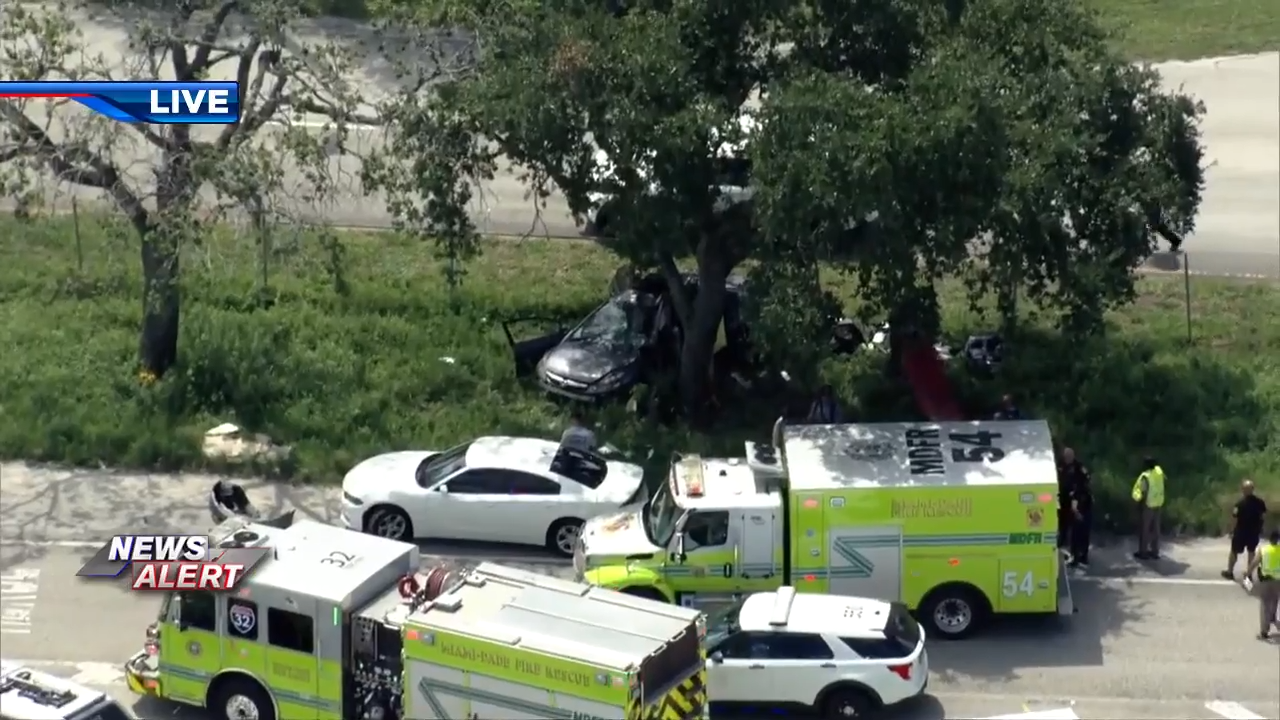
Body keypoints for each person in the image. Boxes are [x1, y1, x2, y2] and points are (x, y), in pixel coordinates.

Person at [1223, 479, 1268, 580]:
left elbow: (1235, 518)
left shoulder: (1239, 504)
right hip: (1254, 532)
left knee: (1234, 551)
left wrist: (1231, 531)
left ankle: (1230, 572)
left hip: (1241, 532)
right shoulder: (1260, 502)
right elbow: (1264, 516)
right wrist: (1261, 528)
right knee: (1251, 552)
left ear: (1243, 490)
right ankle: (1249, 574)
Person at [1059, 448, 1094, 568]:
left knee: (1081, 532)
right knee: (1066, 528)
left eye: (1069, 456)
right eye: (1065, 457)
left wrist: (1077, 507)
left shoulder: (1079, 468)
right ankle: (1068, 551)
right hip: (1065, 502)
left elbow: (1086, 480)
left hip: (1081, 503)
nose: (1067, 459)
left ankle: (1081, 556)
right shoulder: (1061, 465)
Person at [1245, 529, 1279, 640]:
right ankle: (1272, 617)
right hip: (1278, 581)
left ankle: (1264, 631)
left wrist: (1248, 573)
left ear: (1269, 539)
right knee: (1275, 600)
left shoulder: (1264, 550)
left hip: (1265, 580)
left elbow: (1254, 563)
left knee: (1264, 604)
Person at [1131, 456, 1166, 560]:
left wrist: (1139, 502)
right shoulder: (1159, 473)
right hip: (1158, 503)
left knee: (1145, 529)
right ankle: (1155, 552)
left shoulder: (1146, 476)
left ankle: (1143, 552)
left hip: (1148, 504)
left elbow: (1143, 491)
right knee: (1156, 529)